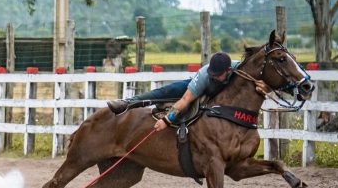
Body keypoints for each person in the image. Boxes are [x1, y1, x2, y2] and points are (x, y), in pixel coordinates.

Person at [107, 52, 259, 131]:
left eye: (217, 75)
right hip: (199, 87)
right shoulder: (205, 75)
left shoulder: (239, 70)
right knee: (167, 91)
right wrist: (167, 120)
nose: (214, 76)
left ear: (229, 70)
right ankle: (128, 103)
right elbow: (185, 100)